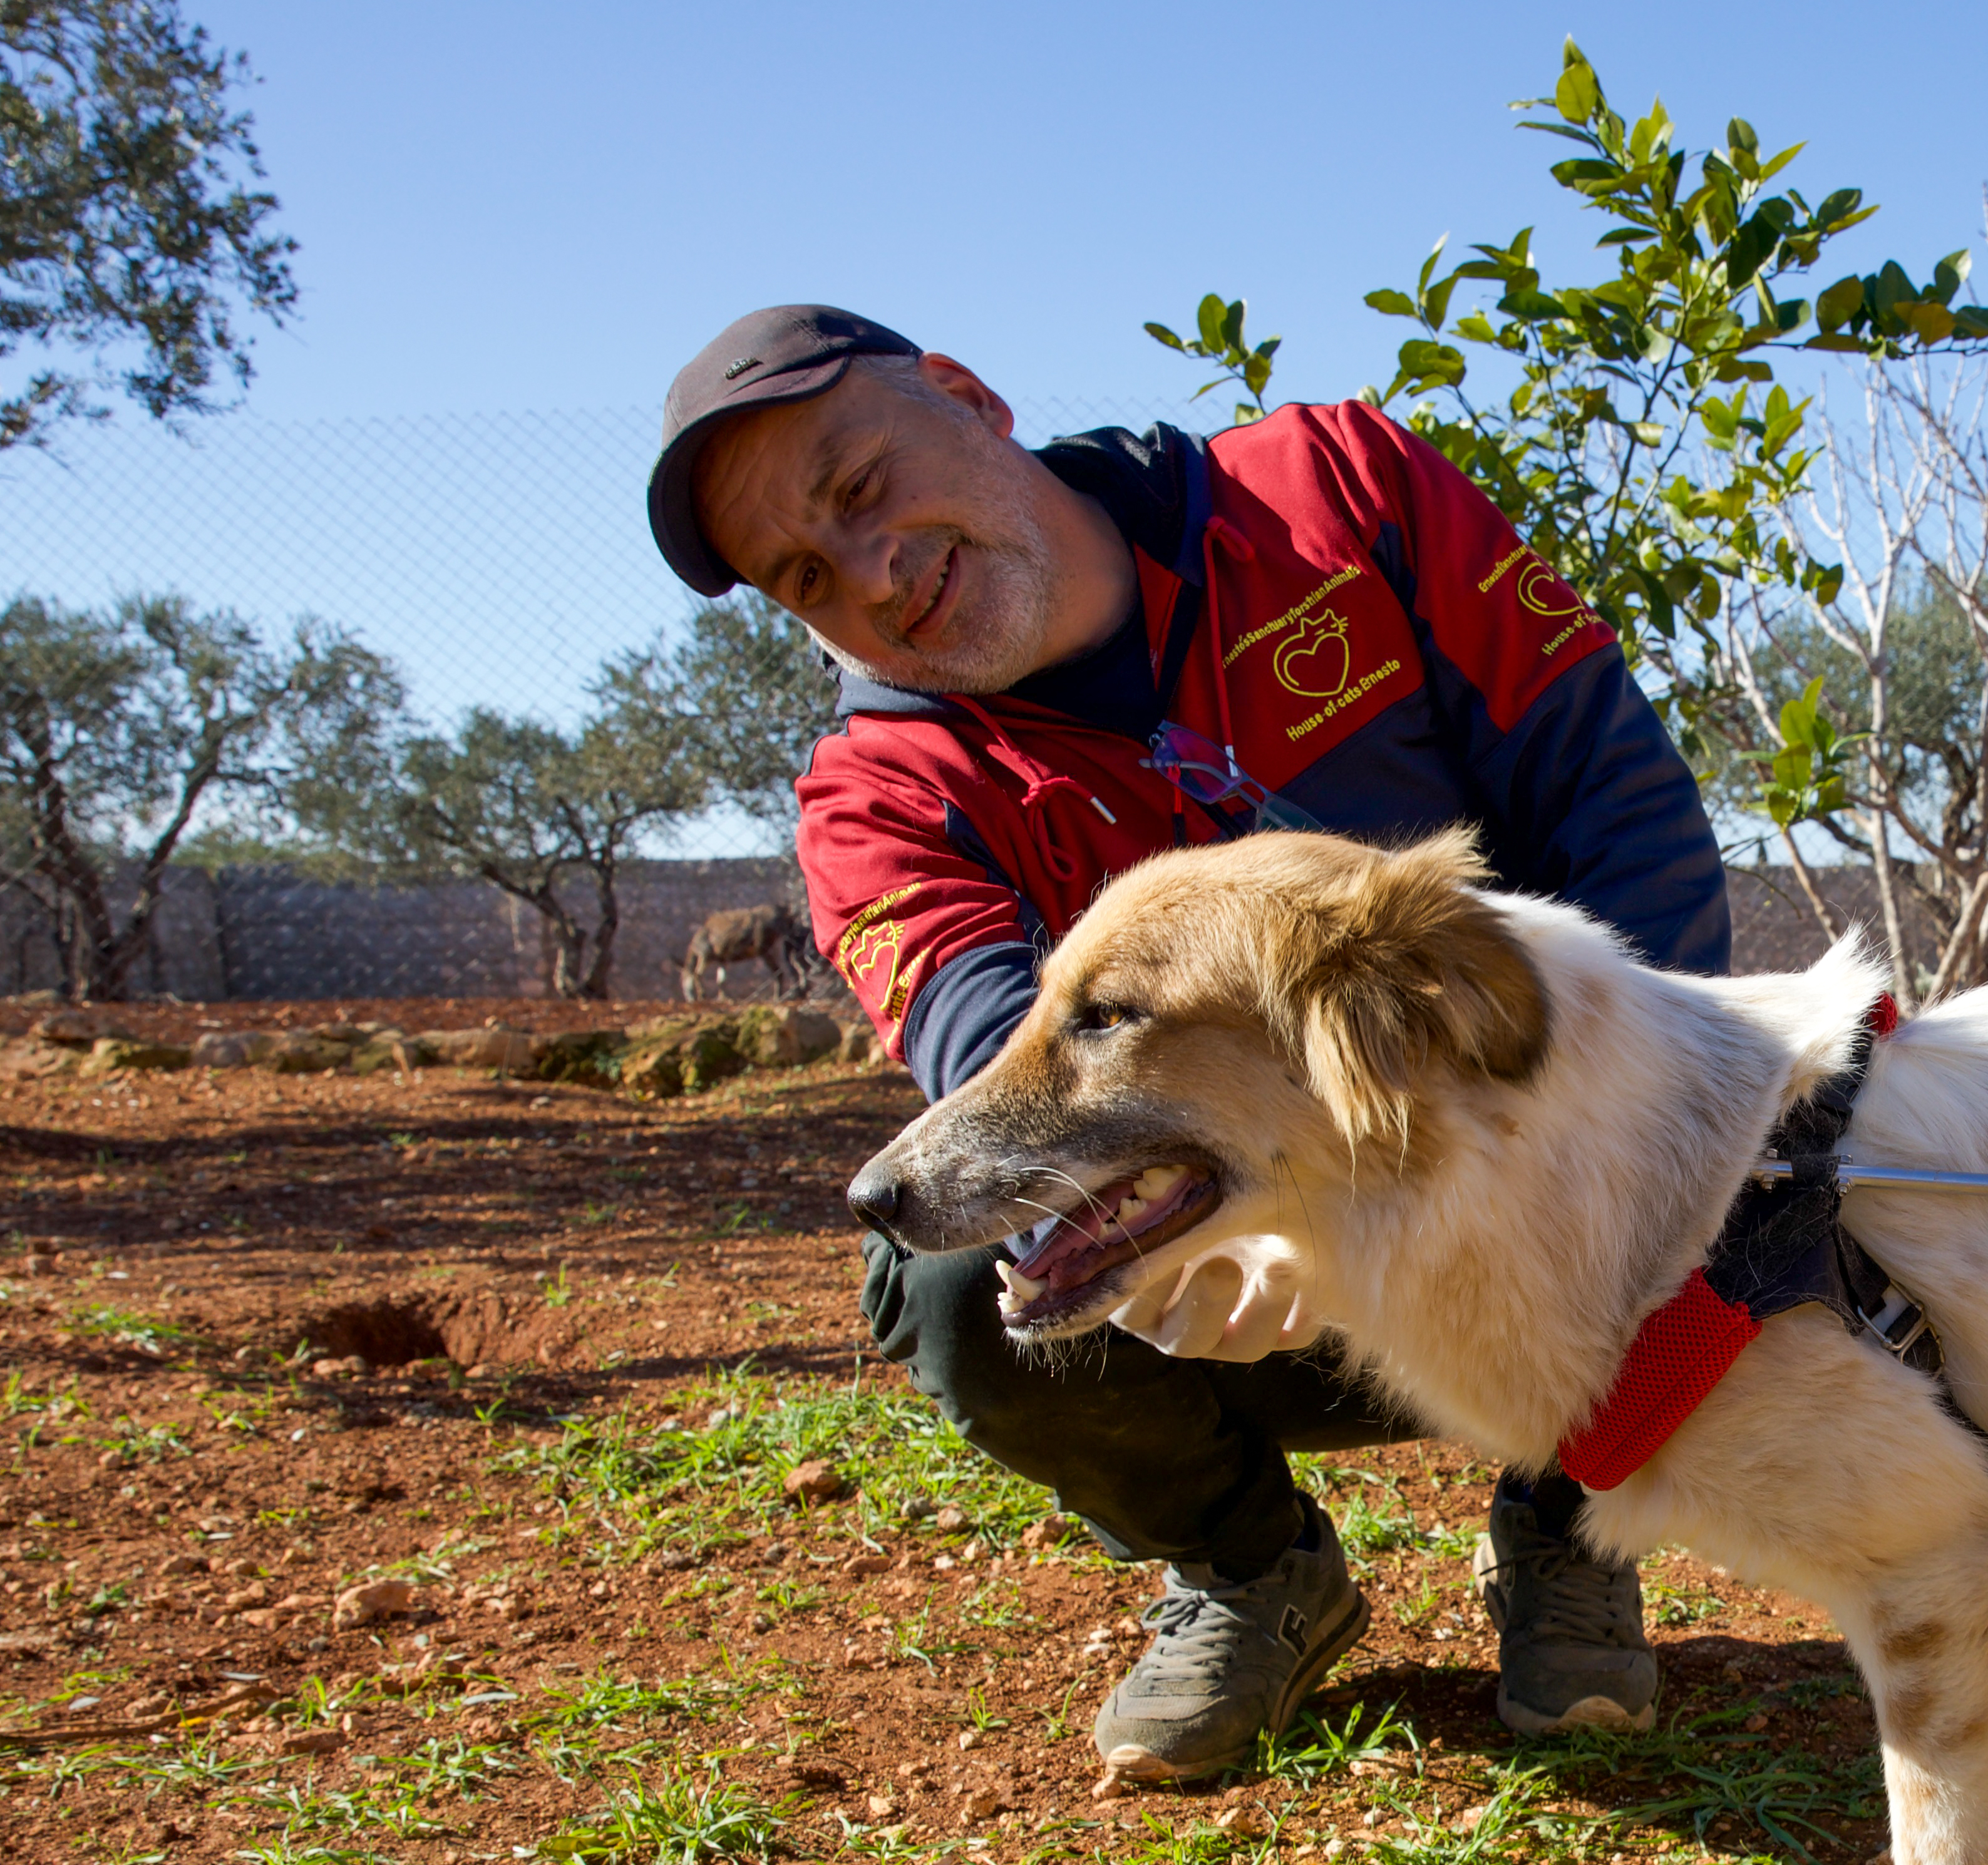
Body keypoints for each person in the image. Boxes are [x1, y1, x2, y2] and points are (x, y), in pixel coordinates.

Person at [645, 304, 1729, 1780]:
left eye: (859, 488)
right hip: (1229, 1276)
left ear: (966, 394)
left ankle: (1567, 1520)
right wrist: (1204, 1231)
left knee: (1713, 1127)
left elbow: (1623, 816)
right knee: (957, 1264)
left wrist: (1556, 1143)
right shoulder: (874, 795)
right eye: (806, 576)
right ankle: (1250, 1566)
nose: (876, 573)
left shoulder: (1340, 491)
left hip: (1514, 1185)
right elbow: (988, 1061)